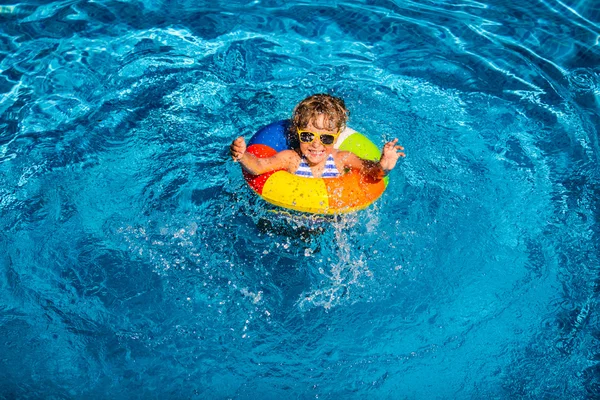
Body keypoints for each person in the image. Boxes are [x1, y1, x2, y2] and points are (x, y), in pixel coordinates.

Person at [230, 94, 405, 180]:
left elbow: (372, 172)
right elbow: (259, 166)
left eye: (326, 138)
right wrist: (242, 155)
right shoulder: (292, 159)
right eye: (307, 136)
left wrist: (384, 165)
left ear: (336, 137)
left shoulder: (341, 159)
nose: (316, 144)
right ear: (297, 133)